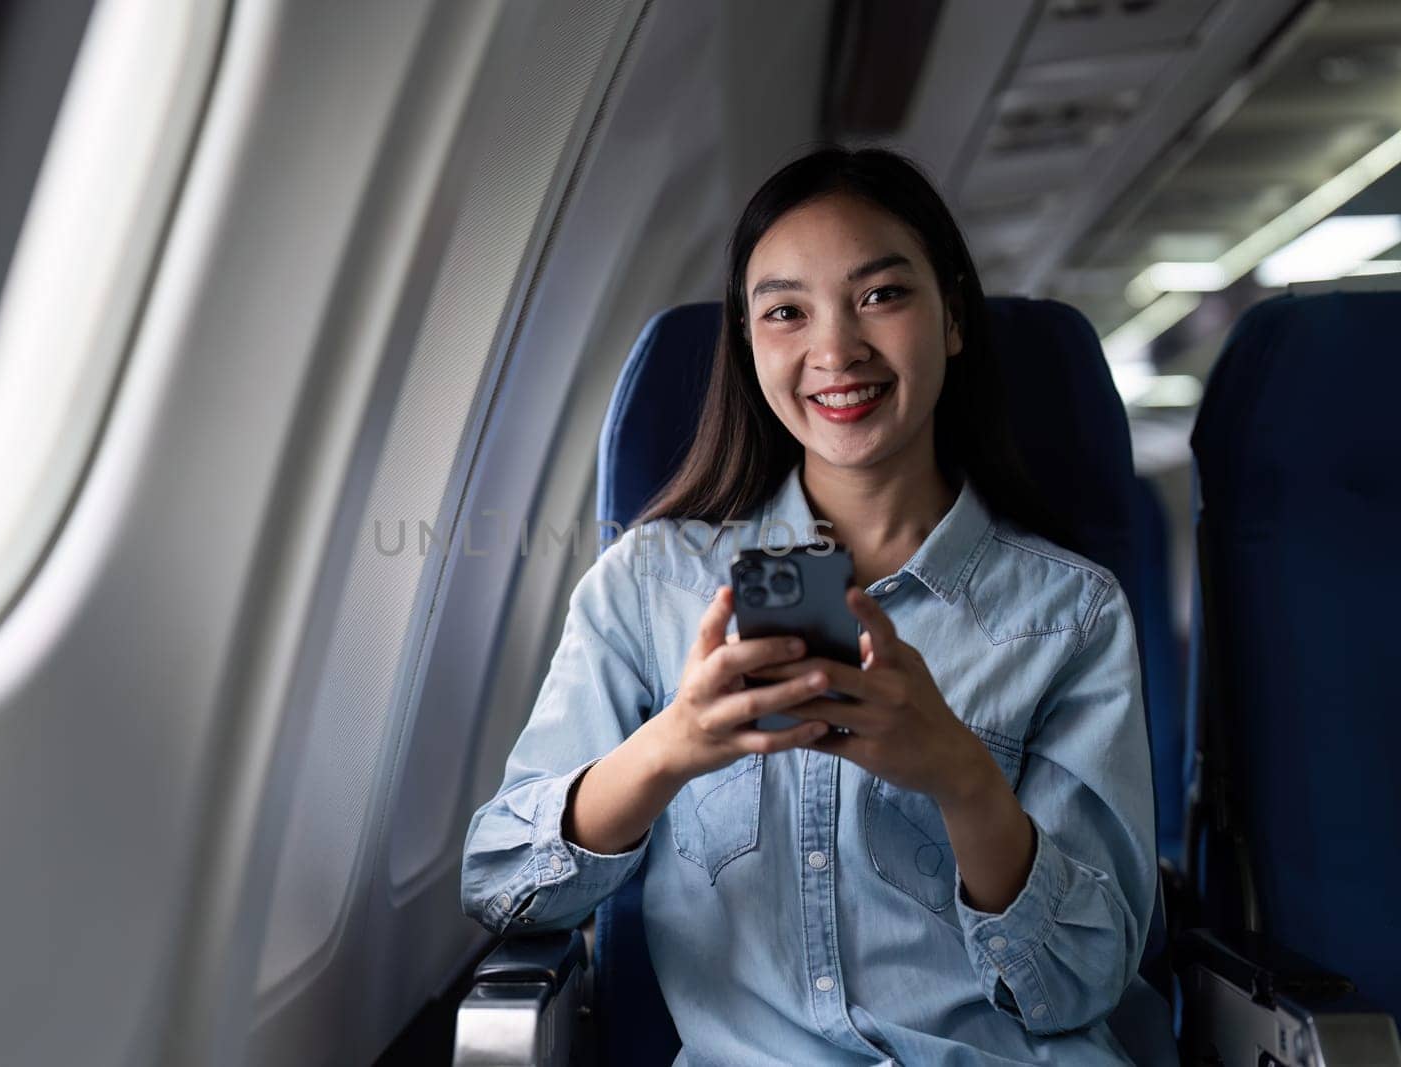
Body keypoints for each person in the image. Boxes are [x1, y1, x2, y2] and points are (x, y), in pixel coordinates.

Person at [460, 145, 1174, 1065]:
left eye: (881, 295)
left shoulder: (1068, 612)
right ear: (751, 345)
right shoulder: (652, 585)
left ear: (952, 316)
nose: (835, 350)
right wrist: (671, 746)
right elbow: (503, 881)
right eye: (787, 312)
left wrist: (961, 774)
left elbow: (1084, 982)